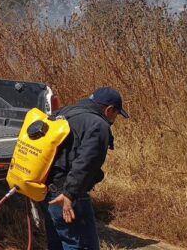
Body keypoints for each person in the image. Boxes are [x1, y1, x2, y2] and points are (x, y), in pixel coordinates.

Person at [43, 87, 130, 250]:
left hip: (47, 190)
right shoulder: (98, 125)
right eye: (116, 114)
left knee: (57, 243)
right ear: (109, 109)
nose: (114, 119)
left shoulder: (65, 112)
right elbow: (86, 163)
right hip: (67, 194)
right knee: (82, 245)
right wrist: (69, 194)